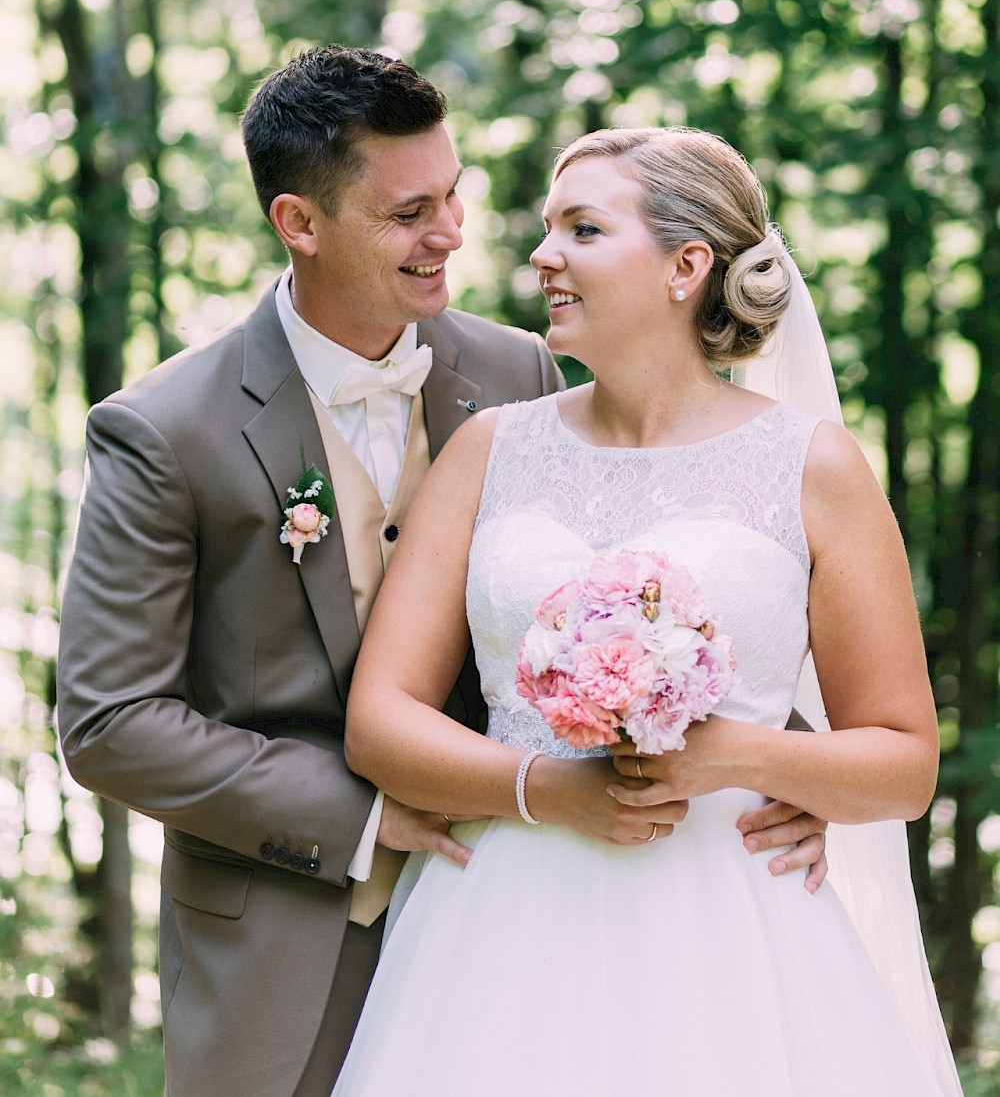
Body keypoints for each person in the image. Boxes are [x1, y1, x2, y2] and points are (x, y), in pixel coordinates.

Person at [56, 53, 826, 1097]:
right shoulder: (165, 429)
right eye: (410, 211)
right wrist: (367, 811)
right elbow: (111, 721)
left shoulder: (521, 373)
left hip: (540, 914)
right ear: (300, 222)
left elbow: (650, 568)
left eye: (453, 194)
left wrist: (767, 757)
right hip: (283, 932)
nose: (454, 232)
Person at [331, 125, 963, 1097]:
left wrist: (735, 756)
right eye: (547, 229)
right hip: (501, 929)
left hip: (739, 938)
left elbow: (903, 761)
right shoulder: (490, 450)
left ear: (685, 265)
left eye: (581, 229)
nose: (542, 255)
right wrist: (545, 785)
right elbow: (380, 722)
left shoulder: (812, 465)